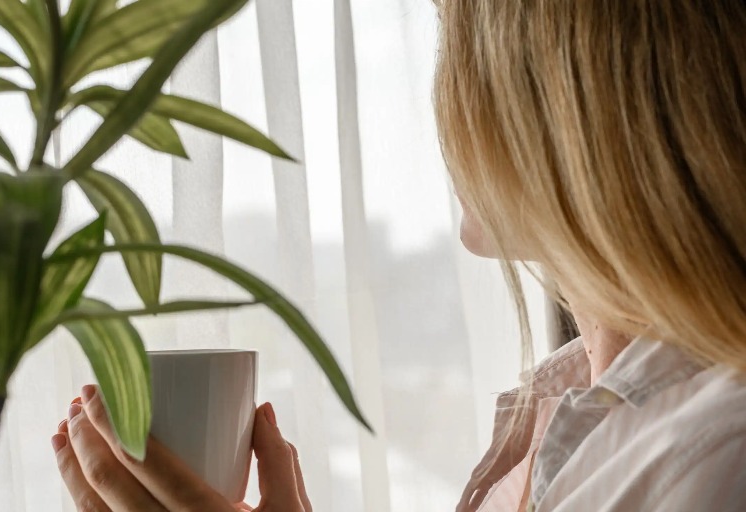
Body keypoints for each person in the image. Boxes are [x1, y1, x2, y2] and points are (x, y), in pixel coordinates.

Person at [52, 0, 746, 510]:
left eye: (455, 43)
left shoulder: (714, 456)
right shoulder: (572, 415)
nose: (443, 105)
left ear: (562, 91)